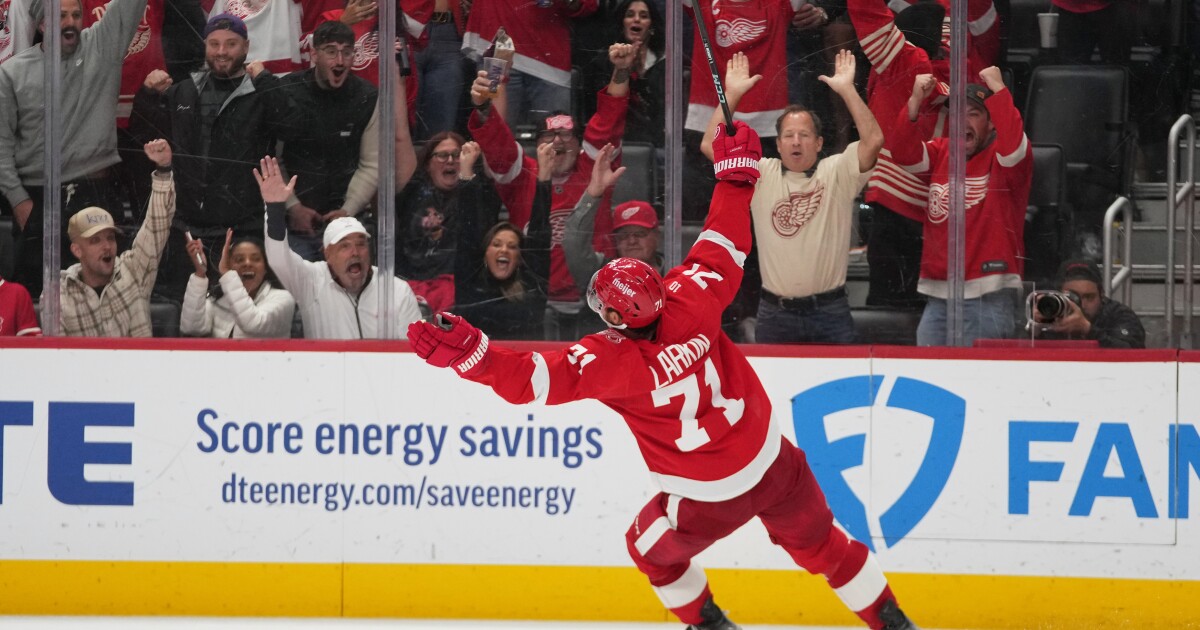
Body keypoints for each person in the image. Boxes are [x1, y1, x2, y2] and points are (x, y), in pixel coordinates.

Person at [408, 121, 917, 630]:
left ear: (613, 319)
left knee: (648, 549)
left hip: (704, 499)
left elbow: (529, 380)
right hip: (774, 464)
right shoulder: (691, 296)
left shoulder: (607, 360)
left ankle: (706, 623)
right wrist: (735, 178)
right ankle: (889, 618)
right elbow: (725, 238)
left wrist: (472, 356)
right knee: (823, 543)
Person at [700, 50, 883, 344]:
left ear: (819, 142)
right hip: (775, 313)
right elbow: (710, 145)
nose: (796, 141)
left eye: (805, 135)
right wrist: (732, 95)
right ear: (779, 144)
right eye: (789, 135)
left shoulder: (836, 171)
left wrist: (847, 90)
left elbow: (874, 140)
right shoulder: (761, 174)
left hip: (830, 312)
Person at [467, 42, 633, 340]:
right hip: (529, 302)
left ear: (579, 141)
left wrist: (621, 71)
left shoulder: (592, 168)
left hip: (593, 304)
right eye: (550, 135)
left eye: (566, 134)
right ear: (538, 142)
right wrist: (482, 105)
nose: (558, 141)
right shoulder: (523, 173)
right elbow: (498, 144)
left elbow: (608, 122)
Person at [130, 12, 289, 303]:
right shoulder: (183, 90)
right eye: (214, 44)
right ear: (205, 46)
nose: (221, 52)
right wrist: (146, 95)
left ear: (246, 47)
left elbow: (291, 126)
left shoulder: (260, 92)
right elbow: (142, 135)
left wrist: (265, 80)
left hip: (242, 230)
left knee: (241, 316)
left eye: (231, 44)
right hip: (187, 229)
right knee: (186, 317)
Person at [0, 0, 149, 295]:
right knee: (33, 298)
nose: (70, 23)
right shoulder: (11, 73)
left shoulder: (102, 46)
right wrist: (19, 201)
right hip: (36, 198)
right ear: (42, 24)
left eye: (76, 15)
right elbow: (1, 145)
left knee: (105, 296)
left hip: (94, 193)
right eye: (60, 16)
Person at [884, 69, 1033, 346]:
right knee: (930, 381)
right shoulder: (942, 151)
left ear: (991, 123)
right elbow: (903, 154)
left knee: (982, 383)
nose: (962, 120)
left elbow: (1014, 148)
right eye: (956, 114)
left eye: (974, 113)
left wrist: (1000, 91)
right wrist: (915, 101)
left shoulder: (1004, 158)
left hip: (989, 296)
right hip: (940, 296)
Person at [259, 156, 423, 339]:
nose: (355, 252)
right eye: (344, 246)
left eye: (361, 244)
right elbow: (277, 258)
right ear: (327, 253)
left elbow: (413, 350)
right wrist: (274, 208)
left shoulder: (395, 290)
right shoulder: (311, 281)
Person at [276, 20, 398, 262]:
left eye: (347, 52)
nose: (340, 61)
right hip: (296, 220)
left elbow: (372, 163)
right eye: (331, 51)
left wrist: (348, 210)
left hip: (346, 218)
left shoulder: (368, 97)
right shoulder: (286, 91)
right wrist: (292, 206)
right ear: (314, 54)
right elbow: (272, 159)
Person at [59, 139, 175, 337]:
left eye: (110, 238)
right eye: (95, 240)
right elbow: (52, 357)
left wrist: (163, 170)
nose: (107, 246)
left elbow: (157, 225)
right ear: (77, 250)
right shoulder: (59, 295)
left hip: (138, 368)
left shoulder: (134, 269)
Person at [452, 142, 553, 340]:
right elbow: (467, 231)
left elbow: (540, 234)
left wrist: (545, 178)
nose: (504, 250)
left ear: (519, 257)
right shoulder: (469, 282)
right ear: (485, 252)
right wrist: (465, 172)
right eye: (496, 244)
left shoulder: (531, 286)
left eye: (512, 246)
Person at [461, 0, 596, 130]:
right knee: (495, 137)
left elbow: (588, 4)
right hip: (497, 48)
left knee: (557, 140)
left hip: (548, 59)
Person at [396, 134, 489, 313]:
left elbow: (473, 235)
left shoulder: (476, 195)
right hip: (411, 283)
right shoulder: (410, 192)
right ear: (428, 163)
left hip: (456, 287)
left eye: (456, 155)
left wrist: (466, 173)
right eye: (442, 155)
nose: (450, 160)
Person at [563, 142, 662, 294]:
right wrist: (593, 192)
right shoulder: (601, 272)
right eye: (623, 235)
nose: (632, 241)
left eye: (640, 233)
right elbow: (573, 244)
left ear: (657, 236)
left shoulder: (675, 272)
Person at [179, 230, 296, 338]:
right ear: (230, 266)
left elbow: (253, 324)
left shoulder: (283, 299)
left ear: (266, 267)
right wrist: (200, 273)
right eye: (239, 259)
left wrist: (226, 273)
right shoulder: (218, 300)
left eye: (255, 259)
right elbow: (191, 328)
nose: (247, 264)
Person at [581, 0, 664, 148]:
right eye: (630, 15)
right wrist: (624, 67)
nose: (636, 19)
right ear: (622, 23)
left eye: (644, 16)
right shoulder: (602, 63)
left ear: (652, 26)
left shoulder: (666, 65)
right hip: (614, 143)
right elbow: (603, 109)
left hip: (657, 143)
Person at [1035, 259, 1145, 348]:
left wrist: (1088, 329)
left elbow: (1131, 353)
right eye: (1072, 297)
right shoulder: (1049, 313)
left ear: (1101, 294)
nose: (1081, 305)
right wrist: (1035, 329)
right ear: (1058, 296)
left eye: (1089, 297)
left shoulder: (1119, 314)